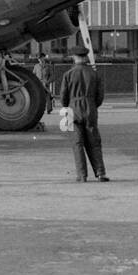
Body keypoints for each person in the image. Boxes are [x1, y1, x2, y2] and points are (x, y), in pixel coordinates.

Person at [59, 46, 108, 182]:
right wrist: (92, 105)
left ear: (74, 57)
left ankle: (82, 175)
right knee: (94, 142)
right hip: (90, 108)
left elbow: (63, 97)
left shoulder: (68, 74)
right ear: (85, 57)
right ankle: (100, 173)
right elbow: (100, 96)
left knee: (77, 143)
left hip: (72, 109)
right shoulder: (94, 74)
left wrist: (68, 106)